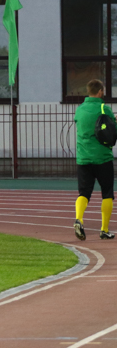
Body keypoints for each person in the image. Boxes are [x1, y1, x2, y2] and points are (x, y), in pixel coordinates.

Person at [73, 79, 115, 241]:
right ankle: (104, 230)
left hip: (83, 158)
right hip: (102, 157)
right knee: (107, 194)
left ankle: (79, 219)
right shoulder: (104, 108)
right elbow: (112, 130)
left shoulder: (80, 109)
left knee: (84, 193)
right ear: (100, 91)